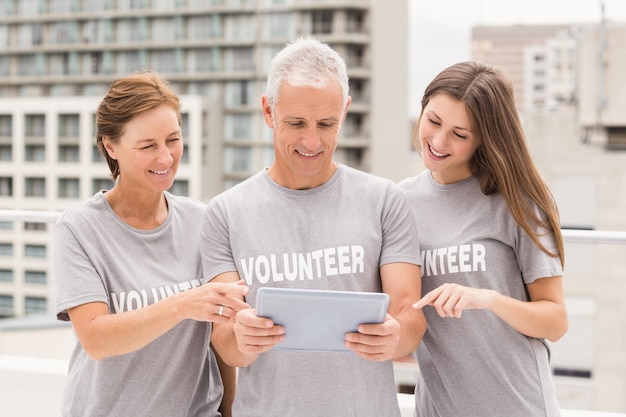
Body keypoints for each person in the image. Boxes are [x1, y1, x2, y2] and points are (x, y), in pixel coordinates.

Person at [200, 37, 427, 417]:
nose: (311, 140)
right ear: (268, 111)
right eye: (296, 123)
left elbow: (410, 315)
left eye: (326, 124)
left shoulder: (384, 200)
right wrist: (243, 336)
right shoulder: (225, 213)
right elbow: (224, 342)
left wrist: (396, 337)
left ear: (345, 111)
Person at [53, 70, 249, 417]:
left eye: (173, 139)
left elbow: (221, 338)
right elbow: (97, 339)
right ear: (110, 146)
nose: (166, 157)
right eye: (147, 146)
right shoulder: (79, 228)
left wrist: (230, 411)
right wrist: (183, 305)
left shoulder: (202, 221)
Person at [399, 61, 568, 417]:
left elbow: (555, 321)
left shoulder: (517, 201)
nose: (439, 142)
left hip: (517, 407)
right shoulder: (399, 203)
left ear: (484, 138)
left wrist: (488, 299)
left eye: (460, 134)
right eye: (433, 121)